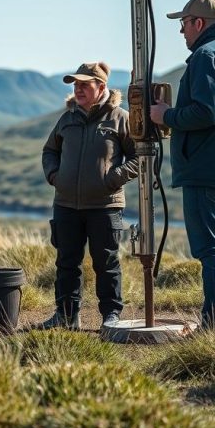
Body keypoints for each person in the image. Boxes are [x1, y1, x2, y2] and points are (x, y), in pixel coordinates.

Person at [149, 0, 215, 329]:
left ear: (198, 23)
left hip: (207, 167)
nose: (181, 31)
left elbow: (207, 112)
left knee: (211, 250)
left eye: (183, 23)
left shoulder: (207, 55)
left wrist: (166, 114)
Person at [39, 61, 138, 330]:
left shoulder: (120, 117)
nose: (78, 89)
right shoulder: (67, 118)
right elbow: (49, 151)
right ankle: (66, 315)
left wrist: (114, 178)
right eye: (76, 84)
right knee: (67, 262)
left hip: (105, 205)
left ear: (101, 86)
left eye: (85, 84)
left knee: (106, 262)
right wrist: (55, 176)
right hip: (66, 204)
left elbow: (139, 155)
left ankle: (111, 315)